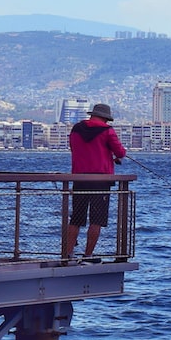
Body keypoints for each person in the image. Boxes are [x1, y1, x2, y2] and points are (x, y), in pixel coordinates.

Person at [64, 103, 127, 264]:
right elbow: (120, 152)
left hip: (79, 178)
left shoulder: (76, 129)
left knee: (76, 218)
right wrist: (112, 157)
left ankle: (68, 254)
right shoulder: (107, 131)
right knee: (96, 219)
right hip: (101, 180)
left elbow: (75, 149)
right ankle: (88, 256)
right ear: (106, 118)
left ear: (92, 114)